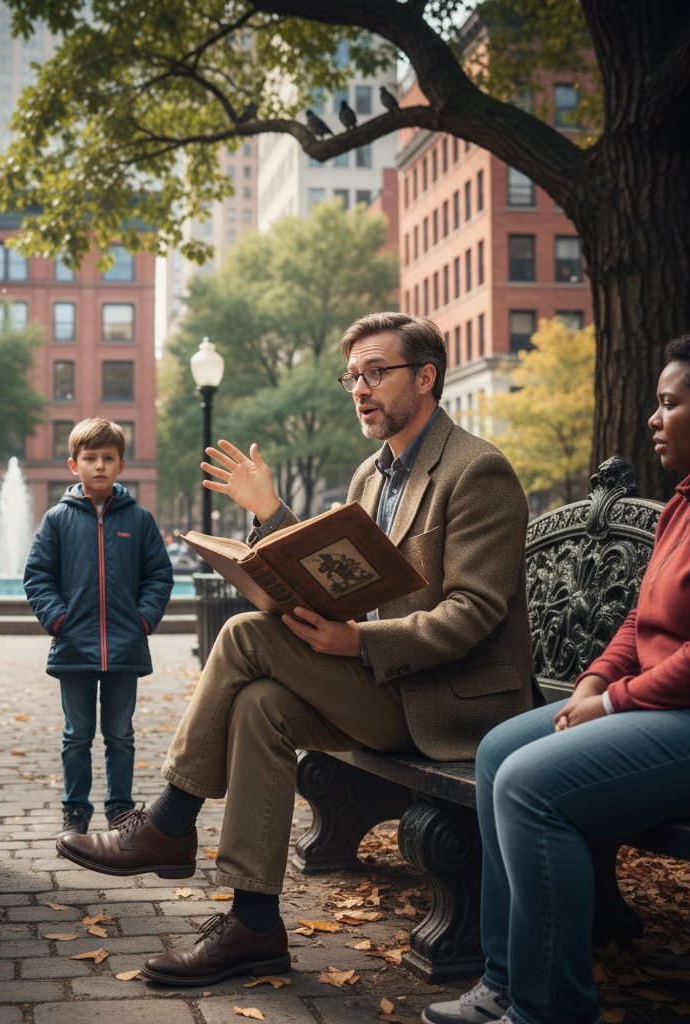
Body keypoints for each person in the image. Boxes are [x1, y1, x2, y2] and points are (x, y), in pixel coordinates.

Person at [57, 313, 535, 986]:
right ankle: (254, 923)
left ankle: (170, 819)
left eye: (376, 373)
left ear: (425, 378)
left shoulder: (476, 471)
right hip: (385, 686)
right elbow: (349, 571)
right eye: (353, 377)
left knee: (245, 634)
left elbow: (475, 614)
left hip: (450, 704)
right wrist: (272, 521)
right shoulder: (372, 473)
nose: (360, 389)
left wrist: (357, 639)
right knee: (260, 704)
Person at [422, 330, 690, 1024]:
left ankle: (549, 1008)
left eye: (670, 405)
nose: (653, 418)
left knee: (532, 786)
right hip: (654, 709)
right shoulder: (684, 501)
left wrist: (611, 703)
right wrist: (592, 682)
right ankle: (503, 979)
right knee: (497, 752)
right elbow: (640, 621)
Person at [25, 417, 174, 836]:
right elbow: (37, 575)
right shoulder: (57, 519)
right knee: (76, 735)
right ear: (74, 465)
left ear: (121, 464)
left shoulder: (140, 520)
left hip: (125, 648)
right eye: (90, 458)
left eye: (108, 458)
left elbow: (159, 576)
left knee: (120, 734)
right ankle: (75, 808)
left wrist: (143, 619)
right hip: (74, 647)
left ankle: (120, 808)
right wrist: (57, 619)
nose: (99, 466)